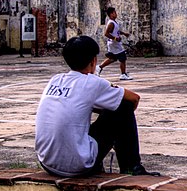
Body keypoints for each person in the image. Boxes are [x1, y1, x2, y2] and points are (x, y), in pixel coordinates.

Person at [35, 35, 159, 177]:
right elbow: (134, 99)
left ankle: (100, 162)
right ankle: (132, 167)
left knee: (89, 115)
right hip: (78, 165)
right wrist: (119, 125)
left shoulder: (55, 79)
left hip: (47, 162)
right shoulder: (93, 82)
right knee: (123, 106)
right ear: (93, 61)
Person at [96, 7, 132, 80]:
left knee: (113, 58)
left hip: (114, 43)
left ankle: (99, 67)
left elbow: (117, 31)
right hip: (114, 43)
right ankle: (123, 74)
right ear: (111, 14)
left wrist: (124, 33)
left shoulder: (114, 22)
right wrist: (115, 38)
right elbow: (106, 34)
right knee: (122, 58)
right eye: (114, 12)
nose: (116, 14)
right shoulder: (111, 23)